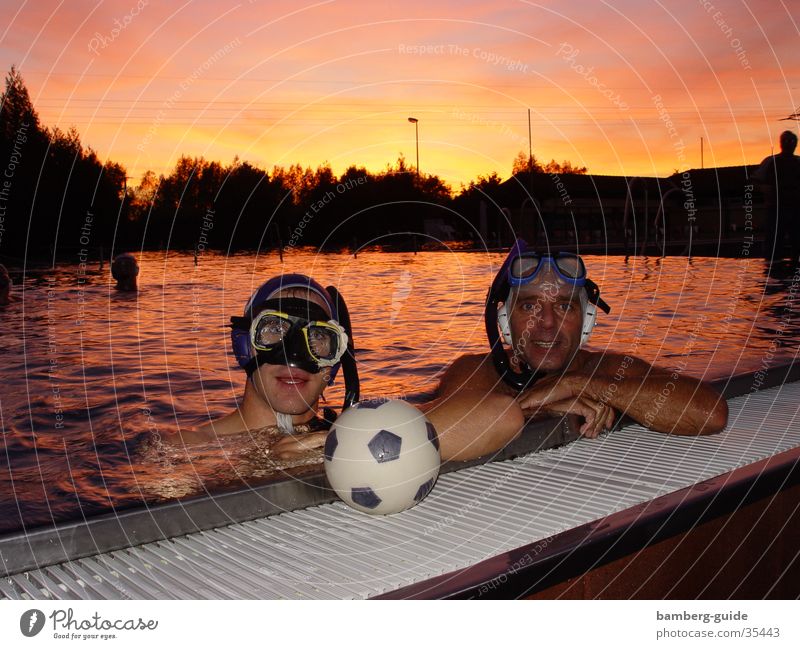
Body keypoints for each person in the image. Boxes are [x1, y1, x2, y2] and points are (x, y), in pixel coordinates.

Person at [435, 241, 728, 461]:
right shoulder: (475, 374)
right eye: (529, 306)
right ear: (505, 323)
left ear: (587, 321)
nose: (547, 322)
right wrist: (536, 406)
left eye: (564, 306)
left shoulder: (605, 371)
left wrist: (579, 384)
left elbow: (710, 413)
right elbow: (433, 438)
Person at [181, 273, 359, 461]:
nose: (295, 353)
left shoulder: (356, 444)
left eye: (318, 336)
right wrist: (267, 466)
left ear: (335, 362)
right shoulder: (182, 450)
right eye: (274, 329)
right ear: (244, 346)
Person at [754, 130, 800, 263]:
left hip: (796, 209)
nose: (789, 144)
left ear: (795, 144)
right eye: (786, 141)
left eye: (791, 141)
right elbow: (754, 181)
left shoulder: (798, 162)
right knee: (773, 245)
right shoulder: (771, 162)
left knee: (797, 242)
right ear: (781, 143)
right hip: (775, 209)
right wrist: (764, 188)